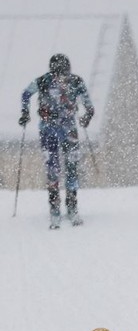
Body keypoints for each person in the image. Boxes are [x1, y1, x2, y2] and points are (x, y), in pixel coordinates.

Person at [19, 53, 94, 228]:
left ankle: (72, 206)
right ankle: (54, 209)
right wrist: (25, 113)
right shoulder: (43, 81)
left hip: (68, 129)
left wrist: (87, 117)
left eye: (64, 72)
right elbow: (26, 94)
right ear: (53, 70)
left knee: (71, 166)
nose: (61, 77)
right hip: (48, 130)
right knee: (53, 168)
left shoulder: (75, 81)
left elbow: (88, 104)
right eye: (58, 73)